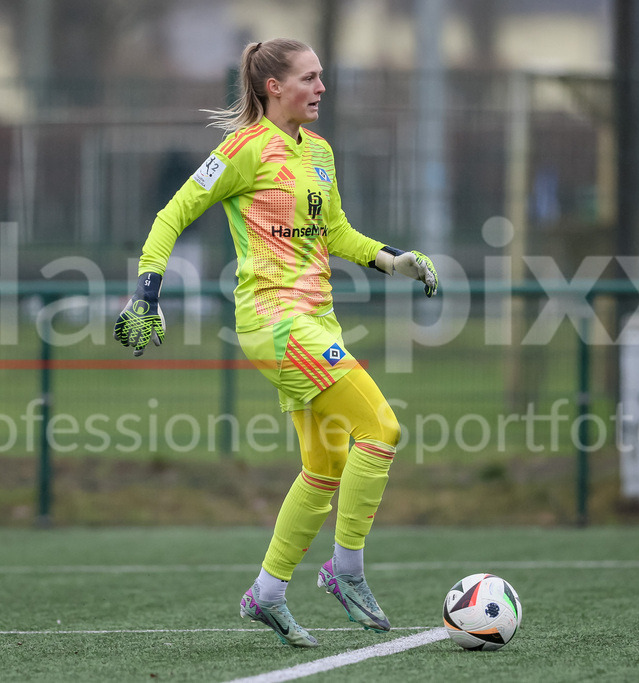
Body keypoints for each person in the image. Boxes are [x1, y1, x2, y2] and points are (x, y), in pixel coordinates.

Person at [114, 39, 439, 647]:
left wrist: (393, 261)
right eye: (310, 78)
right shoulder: (242, 150)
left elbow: (335, 231)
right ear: (274, 87)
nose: (321, 88)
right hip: (275, 321)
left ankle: (266, 592)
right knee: (383, 429)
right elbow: (172, 214)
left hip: (319, 320)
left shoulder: (318, 151)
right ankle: (346, 573)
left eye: (322, 78)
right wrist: (148, 290)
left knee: (325, 465)